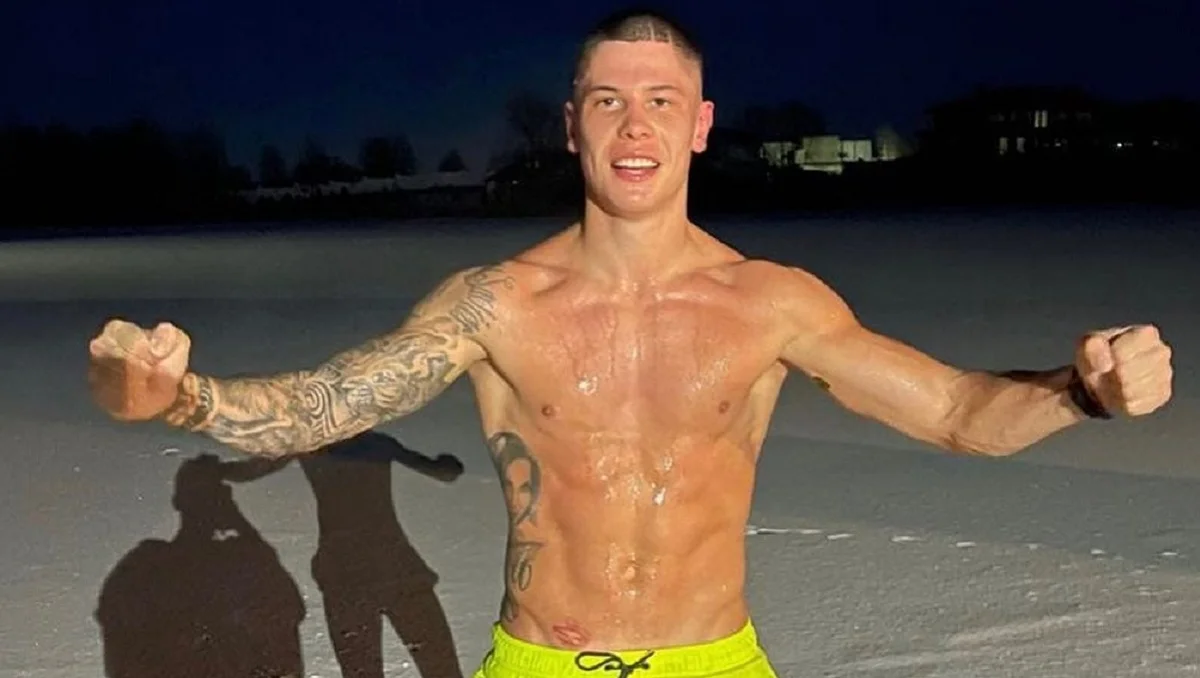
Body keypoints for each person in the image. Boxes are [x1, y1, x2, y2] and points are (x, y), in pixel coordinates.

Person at [87, 8, 1174, 678]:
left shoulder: (772, 302)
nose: (635, 125)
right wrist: (175, 397)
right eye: (607, 101)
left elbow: (955, 414)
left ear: (701, 124)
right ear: (572, 126)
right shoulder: (496, 303)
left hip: (715, 662)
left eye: (662, 101)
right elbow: (330, 403)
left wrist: (1082, 394)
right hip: (541, 664)